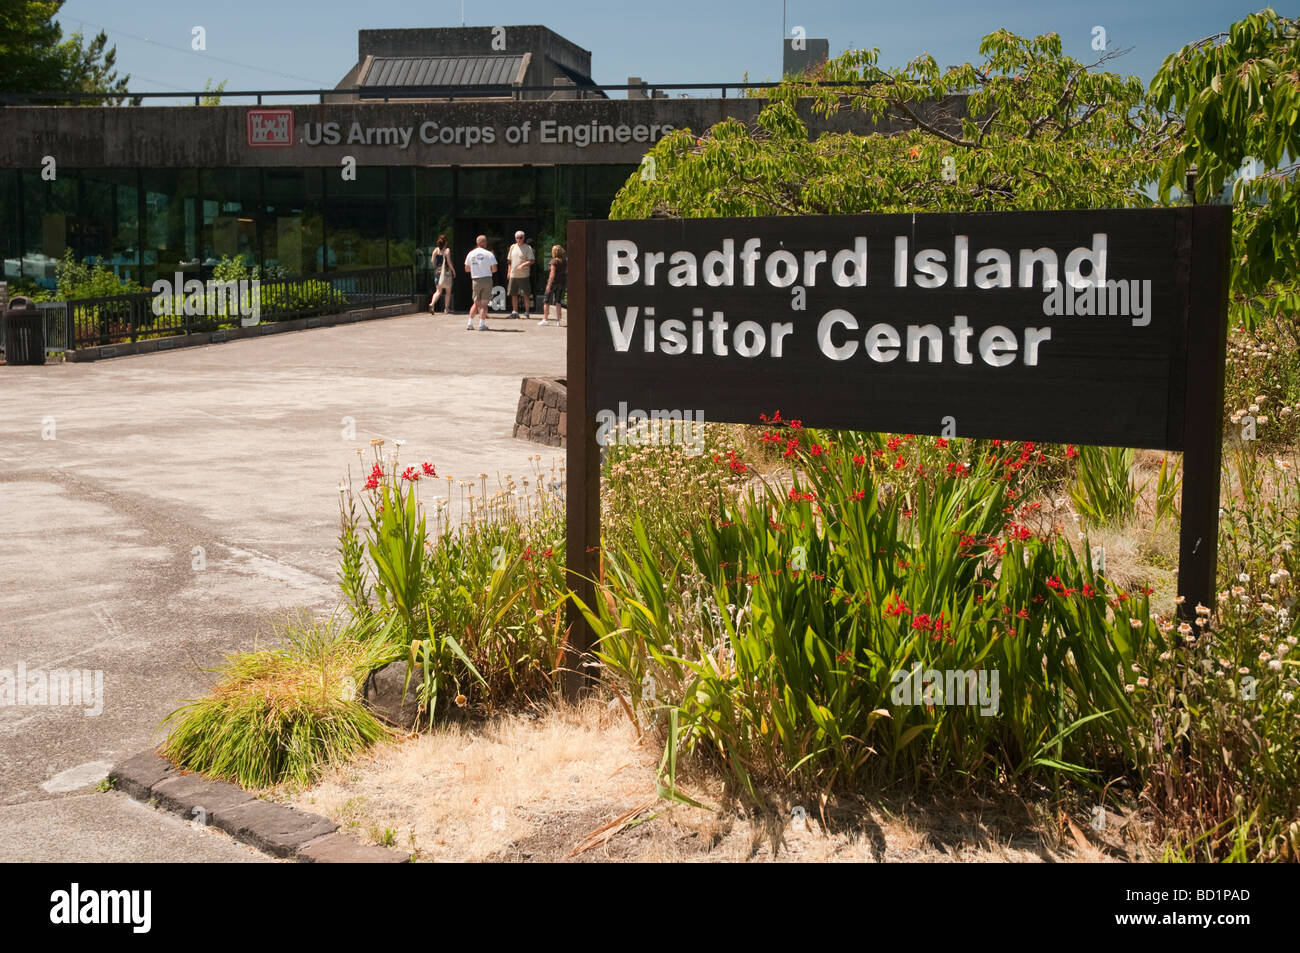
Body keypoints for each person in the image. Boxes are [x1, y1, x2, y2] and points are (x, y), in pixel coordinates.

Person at [463, 234, 497, 331]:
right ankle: (481, 325)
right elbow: (494, 269)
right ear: (483, 243)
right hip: (486, 279)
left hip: (475, 280)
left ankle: (470, 323)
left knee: (476, 303)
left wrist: (476, 269)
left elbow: (466, 269)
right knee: (484, 304)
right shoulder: (489, 254)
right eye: (485, 241)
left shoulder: (471, 253)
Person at [506, 230, 535, 319]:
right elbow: (509, 261)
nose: (519, 239)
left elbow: (532, 260)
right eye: (517, 238)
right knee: (513, 294)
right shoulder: (512, 247)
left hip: (524, 275)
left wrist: (523, 264)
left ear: (524, 238)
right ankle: (515, 312)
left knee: (526, 294)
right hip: (513, 274)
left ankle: (526, 312)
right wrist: (509, 272)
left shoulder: (527, 247)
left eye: (521, 238)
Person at [540, 244, 566, 326]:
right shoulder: (564, 261)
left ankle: (545, 319)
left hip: (553, 283)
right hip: (561, 283)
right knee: (558, 302)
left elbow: (552, 274)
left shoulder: (553, 261)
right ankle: (558, 321)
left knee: (546, 301)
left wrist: (549, 284)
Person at [428, 235, 453, 314]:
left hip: (437, 272)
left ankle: (432, 304)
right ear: (446, 242)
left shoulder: (436, 250)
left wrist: (436, 268)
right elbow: (448, 262)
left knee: (438, 291)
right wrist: (453, 270)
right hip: (446, 272)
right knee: (448, 291)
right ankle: (446, 308)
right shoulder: (447, 250)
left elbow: (432, 261)